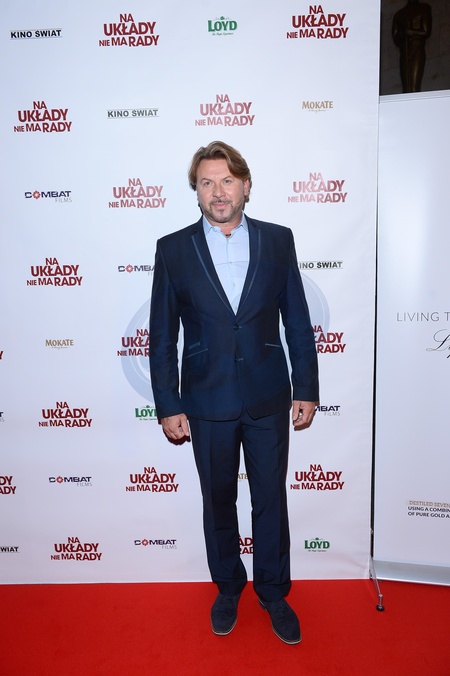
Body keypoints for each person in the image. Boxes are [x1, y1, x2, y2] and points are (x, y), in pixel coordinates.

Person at [149, 141, 319, 645]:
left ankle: (273, 592)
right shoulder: (173, 249)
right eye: (207, 182)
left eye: (227, 180)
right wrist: (168, 403)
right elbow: (162, 336)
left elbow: (298, 321)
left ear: (245, 185)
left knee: (270, 499)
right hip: (205, 401)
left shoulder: (278, 240)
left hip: (269, 395)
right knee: (218, 499)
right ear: (196, 191)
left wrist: (306, 387)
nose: (218, 192)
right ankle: (228, 587)